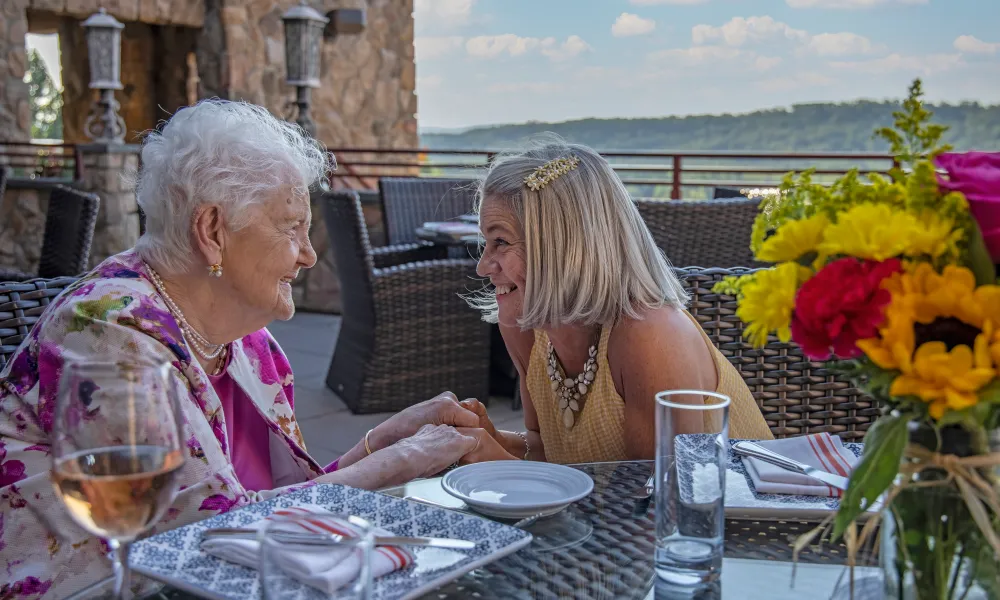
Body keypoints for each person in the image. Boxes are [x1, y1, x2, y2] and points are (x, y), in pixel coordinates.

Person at [0, 100, 494, 597]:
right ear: (213, 231)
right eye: (290, 226)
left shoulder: (250, 343)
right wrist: (395, 464)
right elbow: (204, 537)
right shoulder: (108, 335)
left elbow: (268, 510)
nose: (309, 253)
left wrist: (381, 443)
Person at [461, 137, 773, 465]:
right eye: (485, 242)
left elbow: (654, 501)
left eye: (500, 241)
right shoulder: (525, 326)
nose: (483, 266)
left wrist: (498, 459)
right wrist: (489, 442)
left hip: (743, 515)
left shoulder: (650, 337)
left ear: (564, 247)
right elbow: (547, 451)